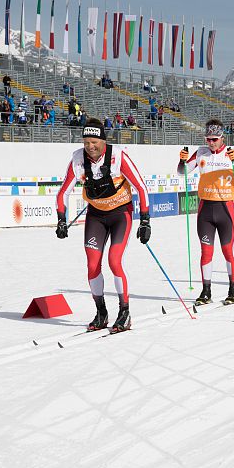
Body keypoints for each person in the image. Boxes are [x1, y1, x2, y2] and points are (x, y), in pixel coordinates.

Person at [55, 118, 151, 333]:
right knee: (92, 265)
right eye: (86, 142)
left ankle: (124, 312)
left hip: (120, 214)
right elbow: (63, 192)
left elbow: (141, 188)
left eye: (94, 142)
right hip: (96, 215)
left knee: (114, 261)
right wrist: (61, 219)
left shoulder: (118, 156)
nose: (90, 147)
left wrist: (145, 220)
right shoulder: (78, 159)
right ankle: (101, 313)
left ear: (103, 141)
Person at [178, 118, 234, 305]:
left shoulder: (232, 152)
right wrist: (181, 160)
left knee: (227, 250)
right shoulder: (201, 153)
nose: (211, 143)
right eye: (208, 139)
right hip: (205, 208)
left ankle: (233, 288)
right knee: (206, 252)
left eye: (214, 139)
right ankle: (206, 291)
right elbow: (182, 171)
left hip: (225, 208)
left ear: (222, 138)